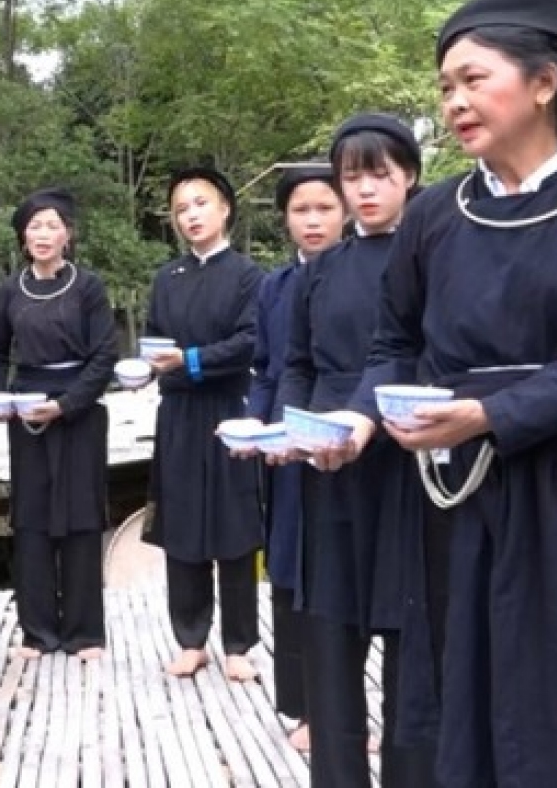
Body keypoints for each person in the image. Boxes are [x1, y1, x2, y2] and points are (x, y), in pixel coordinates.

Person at [319, 0, 557, 787]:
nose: (452, 102)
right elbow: (395, 346)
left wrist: (490, 415)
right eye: (445, 84)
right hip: (461, 495)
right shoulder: (435, 217)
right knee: (470, 705)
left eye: (472, 79)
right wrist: (359, 418)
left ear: (545, 82)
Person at [269, 115, 435, 788]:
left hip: (408, 457)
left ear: (410, 177)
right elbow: (298, 363)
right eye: (352, 177)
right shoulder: (321, 269)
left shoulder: (434, 253)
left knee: (409, 634)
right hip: (327, 467)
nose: (364, 190)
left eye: (379, 174)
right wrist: (291, 429)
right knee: (330, 632)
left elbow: (429, 352)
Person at [0, 189, 118, 660]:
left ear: (68, 233)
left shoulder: (88, 288)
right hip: (26, 411)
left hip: (77, 411)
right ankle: (37, 632)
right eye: (34, 226)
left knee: (80, 516)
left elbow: (105, 355)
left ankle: (85, 632)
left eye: (52, 225)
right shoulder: (8, 291)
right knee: (32, 518)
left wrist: (66, 405)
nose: (43, 234)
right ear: (23, 236)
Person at [141, 166, 264, 681]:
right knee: (183, 524)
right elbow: (153, 340)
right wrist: (147, 365)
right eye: (181, 210)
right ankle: (191, 639)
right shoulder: (167, 279)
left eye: (199, 204)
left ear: (224, 208)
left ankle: (239, 644)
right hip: (178, 414)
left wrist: (190, 361)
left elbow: (249, 342)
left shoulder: (249, 275)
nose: (190, 216)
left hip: (229, 408)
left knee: (234, 525)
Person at [239, 162, 343, 752]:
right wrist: (257, 424)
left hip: (349, 440)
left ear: (346, 211)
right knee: (291, 571)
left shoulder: (374, 274)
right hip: (285, 451)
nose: (312, 220)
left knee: (349, 577)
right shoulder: (274, 288)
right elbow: (265, 371)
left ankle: (356, 709)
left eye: (324, 208)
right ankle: (304, 710)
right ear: (285, 220)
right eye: (300, 210)